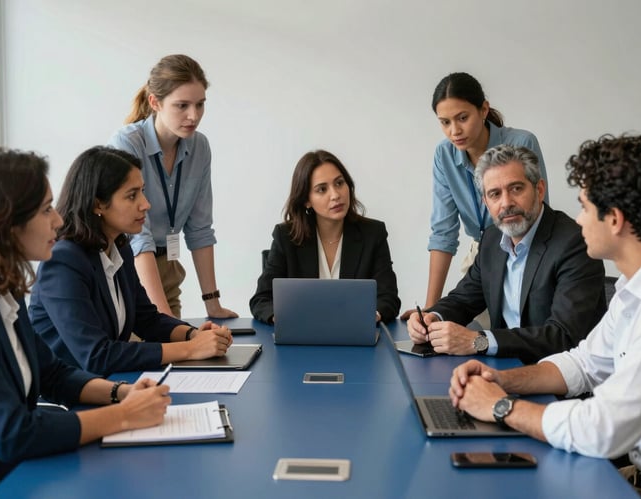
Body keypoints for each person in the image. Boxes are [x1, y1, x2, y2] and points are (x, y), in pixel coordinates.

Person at [449, 135, 641, 496]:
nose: (578, 219)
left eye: (585, 207)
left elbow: (604, 427)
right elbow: (584, 364)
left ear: (615, 220)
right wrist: (501, 378)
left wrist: (500, 406)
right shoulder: (639, 284)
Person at [0, 146, 171, 489]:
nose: (59, 220)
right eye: (45, 209)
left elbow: (53, 374)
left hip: (21, 469)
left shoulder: (1, 290)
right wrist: (124, 415)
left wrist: (122, 393)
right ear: (3, 223)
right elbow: (12, 433)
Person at [29, 146, 232, 376]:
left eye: (143, 191)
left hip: (108, 384)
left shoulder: (120, 248)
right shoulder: (63, 261)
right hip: (69, 399)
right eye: (132, 195)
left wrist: (193, 334)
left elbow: (147, 319)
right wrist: (189, 349)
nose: (146, 204)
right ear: (98, 205)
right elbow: (97, 356)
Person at [407, 144, 605, 363]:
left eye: (516, 189)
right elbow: (464, 299)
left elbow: (563, 336)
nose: (506, 203)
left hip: (559, 379)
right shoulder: (492, 239)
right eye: (494, 194)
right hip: (503, 367)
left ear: (539, 190)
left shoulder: (574, 243)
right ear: (486, 202)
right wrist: (432, 317)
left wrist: (478, 341)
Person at [401, 72, 549, 320]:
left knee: (518, 332)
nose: (454, 131)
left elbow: (539, 213)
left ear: (483, 110)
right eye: (445, 122)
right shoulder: (444, 155)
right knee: (452, 328)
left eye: (462, 118)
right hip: (482, 256)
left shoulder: (521, 142)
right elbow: (443, 232)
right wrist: (430, 308)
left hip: (525, 251)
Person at [108, 54, 236, 319]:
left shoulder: (200, 147)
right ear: (155, 102)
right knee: (150, 352)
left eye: (200, 105)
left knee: (176, 357)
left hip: (168, 267)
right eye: (182, 105)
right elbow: (138, 238)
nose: (194, 115)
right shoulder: (128, 143)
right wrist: (163, 319)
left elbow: (199, 228)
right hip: (129, 269)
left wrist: (212, 304)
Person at [250, 149, 401, 324]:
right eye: (322, 189)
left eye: (339, 183)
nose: (335, 195)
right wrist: (284, 319)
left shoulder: (373, 233)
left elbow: (388, 298)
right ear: (307, 200)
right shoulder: (286, 237)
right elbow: (261, 300)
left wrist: (370, 316)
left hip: (355, 336)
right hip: (302, 338)